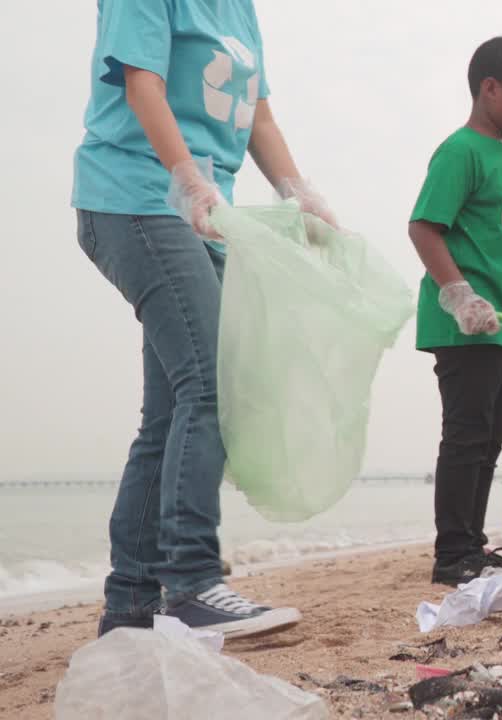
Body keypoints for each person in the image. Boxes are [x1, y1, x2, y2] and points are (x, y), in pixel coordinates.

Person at [73, 0, 329, 638]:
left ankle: (129, 609)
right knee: (209, 381)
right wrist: (185, 176)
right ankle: (189, 582)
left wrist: (298, 191)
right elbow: (143, 85)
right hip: (135, 198)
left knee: (167, 416)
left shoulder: (240, 11)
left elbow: (258, 114)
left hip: (204, 220)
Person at [408, 36, 502, 586]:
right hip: (464, 325)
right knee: (465, 434)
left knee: (491, 439)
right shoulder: (460, 150)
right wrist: (461, 296)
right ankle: (451, 554)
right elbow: (423, 226)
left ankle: (473, 544)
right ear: (491, 88)